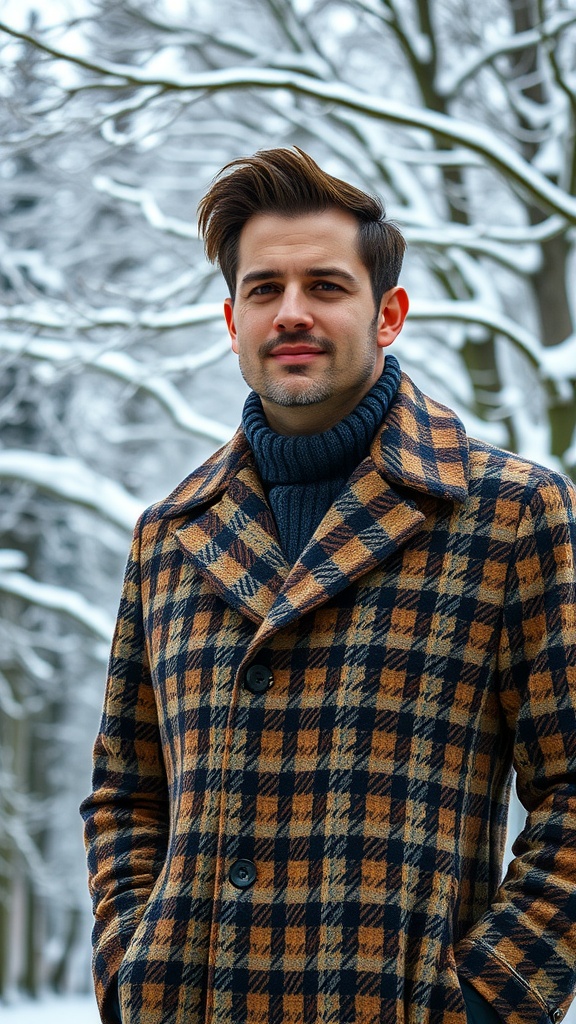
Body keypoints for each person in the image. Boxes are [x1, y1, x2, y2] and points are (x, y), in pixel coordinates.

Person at [80, 147, 576, 1024]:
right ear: (232, 317)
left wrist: (491, 1001)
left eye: (327, 286)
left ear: (388, 314)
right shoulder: (170, 534)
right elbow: (126, 792)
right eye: (266, 289)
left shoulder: (511, 515)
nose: (293, 313)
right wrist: (133, 966)